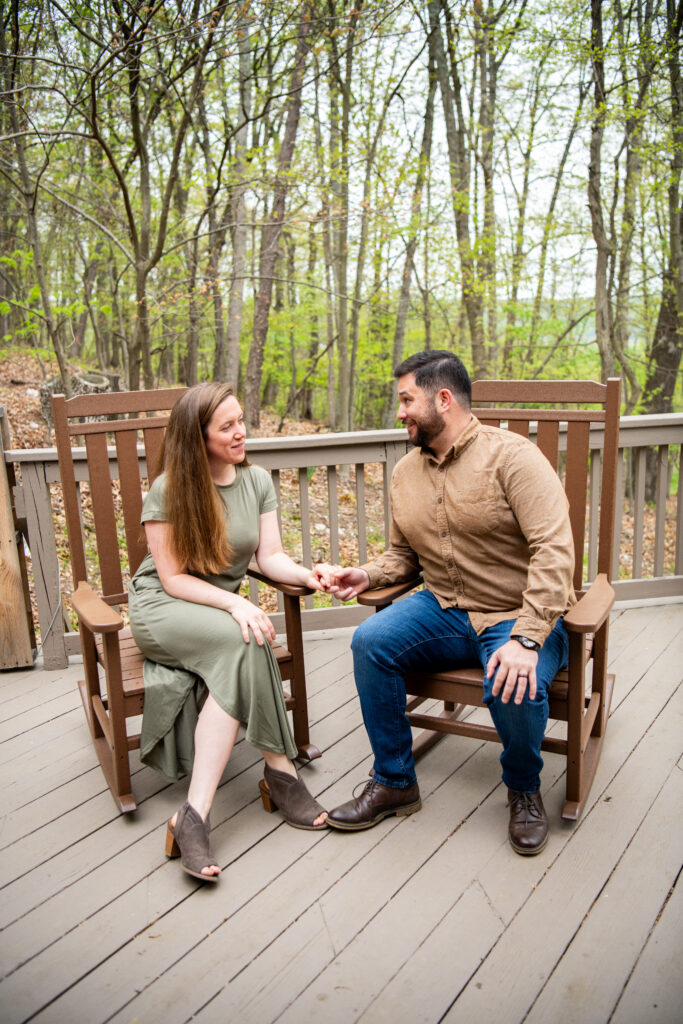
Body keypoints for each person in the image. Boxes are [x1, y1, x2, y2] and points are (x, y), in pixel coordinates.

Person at [319, 350, 575, 855]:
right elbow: (403, 556)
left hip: (515, 613)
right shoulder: (405, 472)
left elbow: (555, 549)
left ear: (443, 399)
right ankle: (394, 780)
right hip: (442, 609)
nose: (400, 413)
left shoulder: (513, 457)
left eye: (406, 400)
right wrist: (365, 573)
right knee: (370, 641)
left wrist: (526, 638)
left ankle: (523, 789)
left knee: (511, 681)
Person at [128, 382, 328, 883]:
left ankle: (193, 815)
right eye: (228, 426)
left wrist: (311, 575)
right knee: (246, 635)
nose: (242, 432)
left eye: (242, 420)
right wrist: (235, 601)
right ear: (198, 437)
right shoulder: (169, 490)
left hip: (218, 610)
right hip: (166, 606)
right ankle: (282, 774)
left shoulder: (256, 480)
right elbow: (172, 578)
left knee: (243, 641)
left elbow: (269, 557)